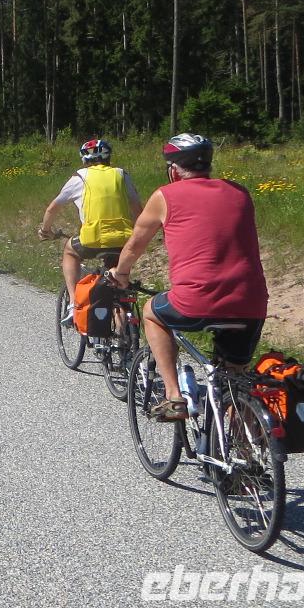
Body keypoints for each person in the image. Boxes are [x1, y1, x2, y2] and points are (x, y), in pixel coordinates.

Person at [111, 134, 269, 422]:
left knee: (151, 313)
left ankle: (174, 397)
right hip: (251, 302)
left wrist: (120, 274)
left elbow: (135, 245)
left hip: (195, 300)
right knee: (234, 378)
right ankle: (242, 453)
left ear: (173, 170)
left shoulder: (165, 196)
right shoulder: (240, 192)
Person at [36, 138, 143, 323]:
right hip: (124, 238)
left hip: (93, 239)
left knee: (70, 251)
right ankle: (125, 341)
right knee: (118, 284)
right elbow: (137, 210)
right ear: (109, 157)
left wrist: (46, 231)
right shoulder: (121, 174)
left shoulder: (80, 177)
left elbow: (52, 208)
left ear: (84, 160)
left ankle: (73, 304)